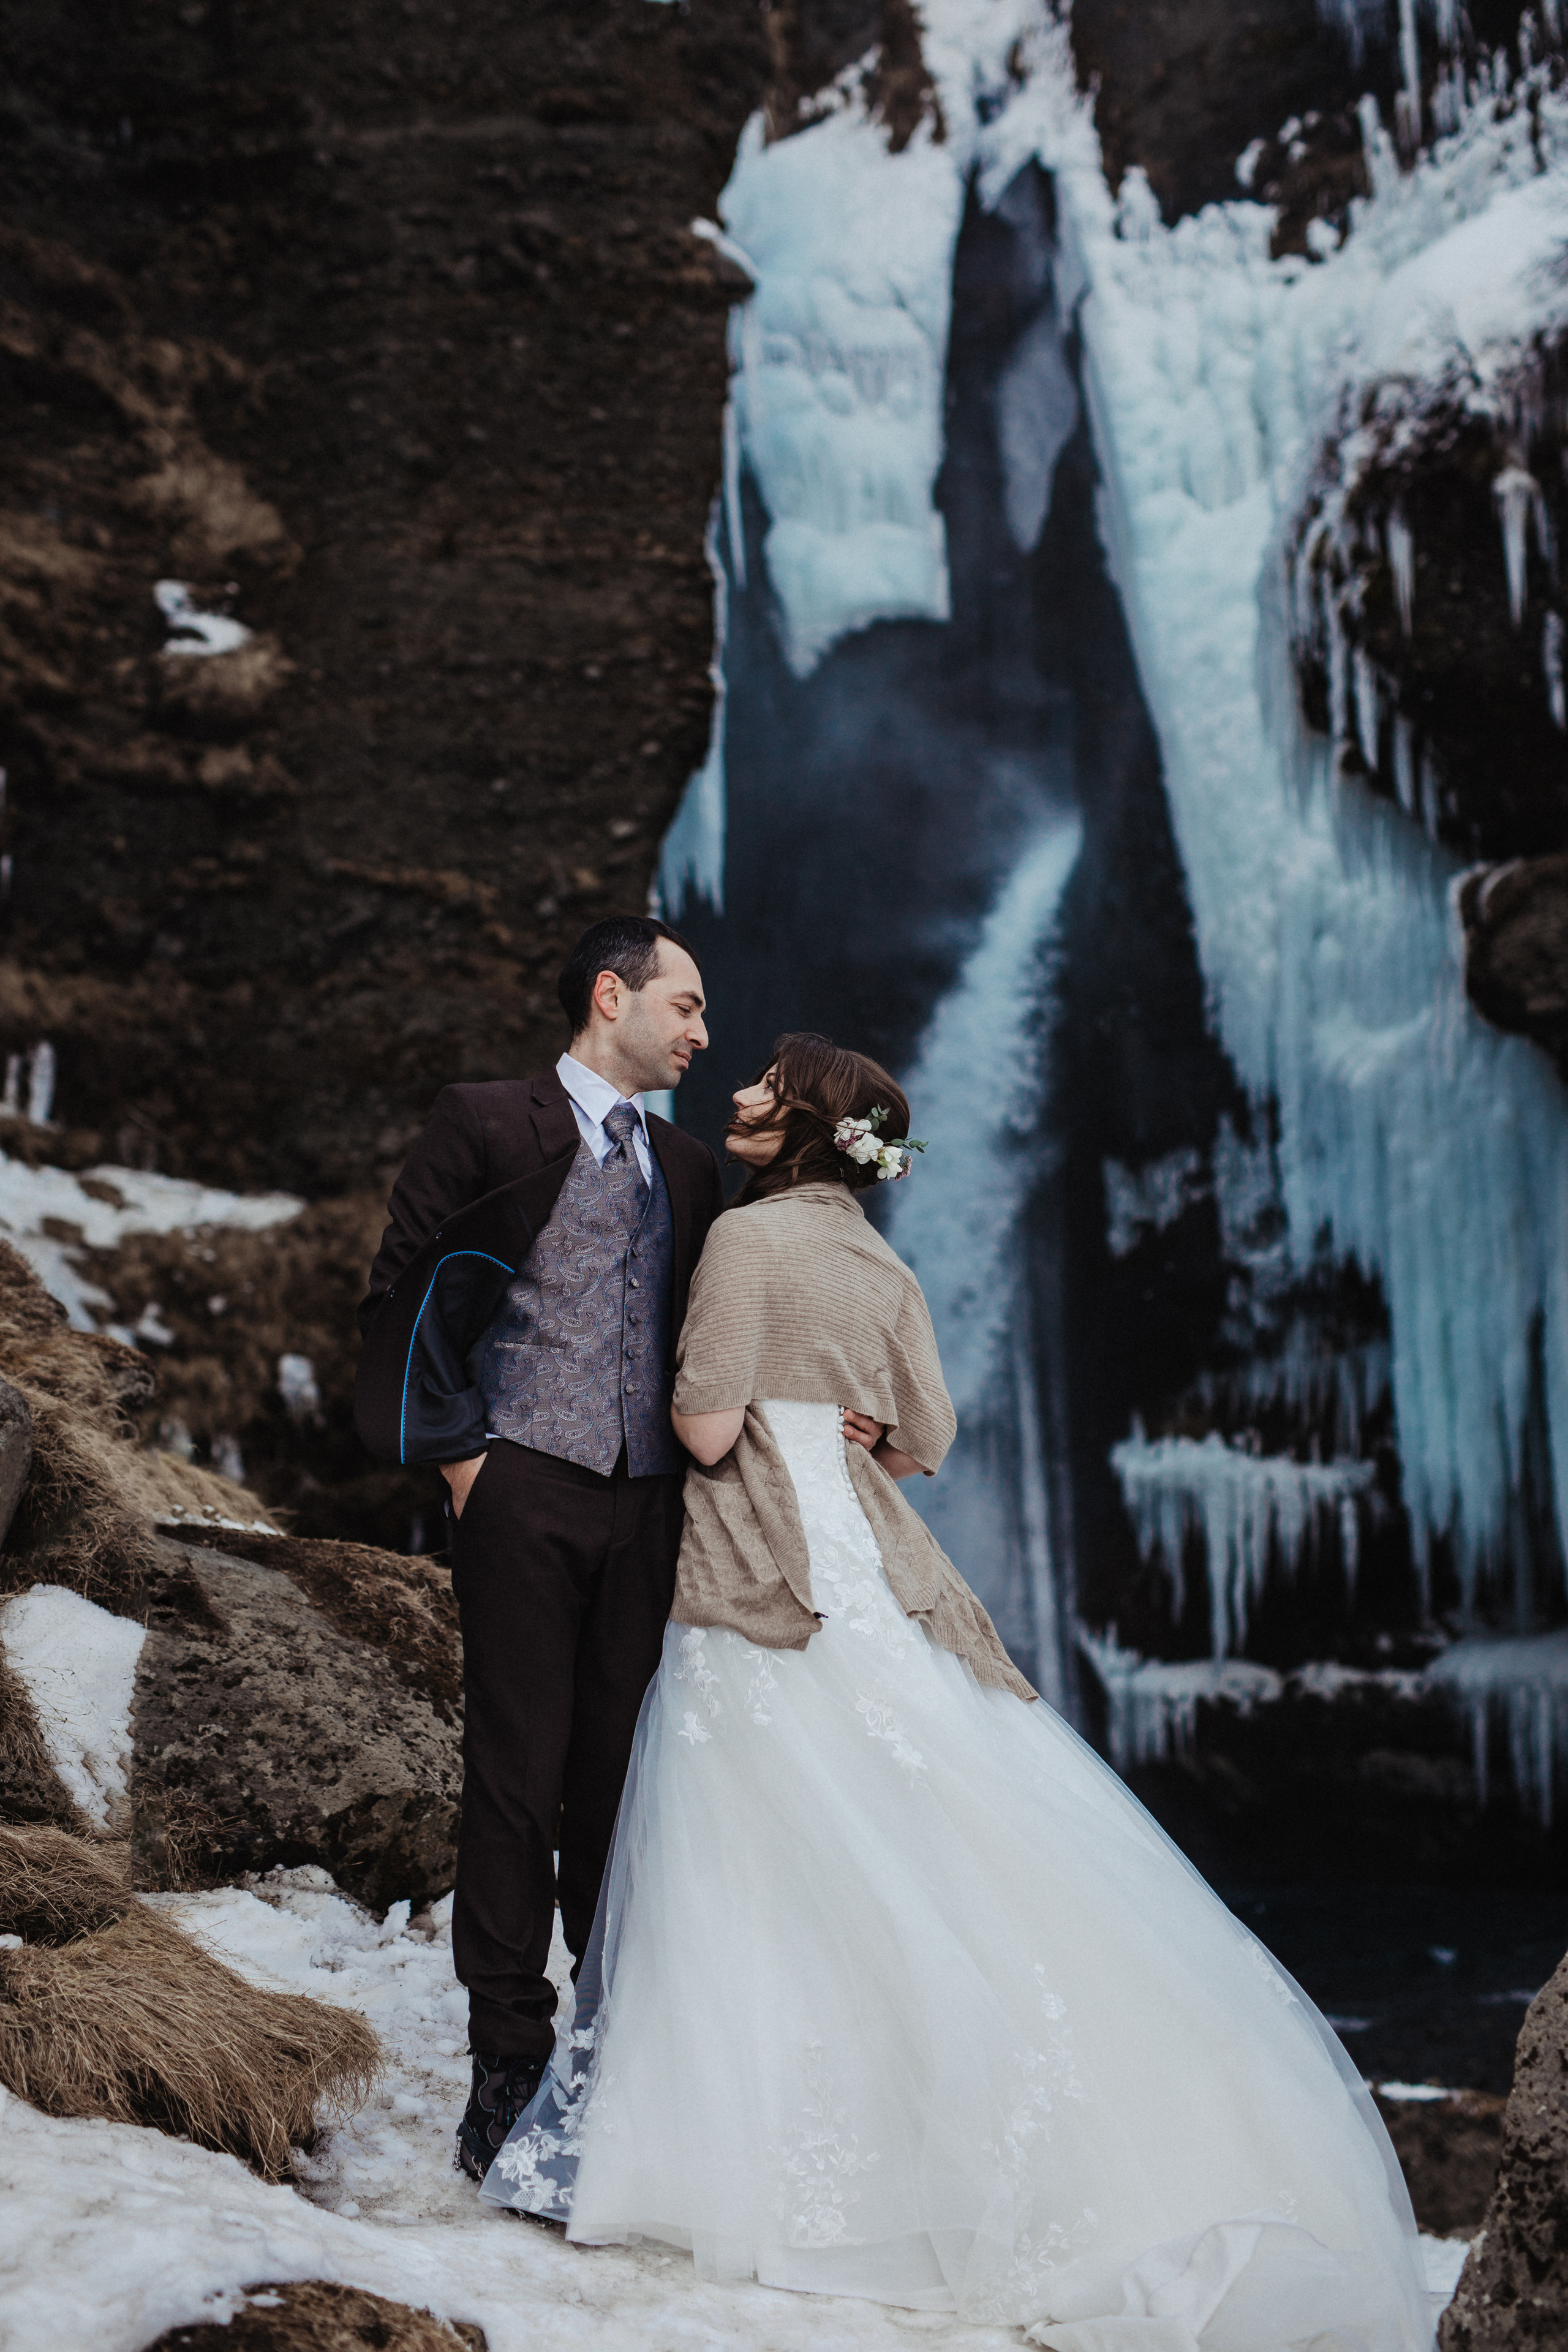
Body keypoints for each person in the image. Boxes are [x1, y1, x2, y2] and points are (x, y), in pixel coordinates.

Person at [481, 1032, 1433, 2350]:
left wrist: (742, 1398)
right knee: (916, 1828)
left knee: (754, 1854)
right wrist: (844, 1416)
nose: (740, 1094)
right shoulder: (881, 1260)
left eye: (765, 1085)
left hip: (765, 1563)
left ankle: (732, 2156)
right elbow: (925, 1436)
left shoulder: (747, 1247)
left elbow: (701, 1430)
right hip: (879, 1571)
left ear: (807, 1125)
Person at [355, 914, 739, 2184]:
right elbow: (402, 1286)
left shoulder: (687, 1167)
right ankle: (508, 2053)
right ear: (608, 995)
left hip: (646, 1501)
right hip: (521, 1485)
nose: (697, 1033)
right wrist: (467, 1462)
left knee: (618, 1778)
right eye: (681, 1007)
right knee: (516, 1773)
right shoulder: (486, 1119)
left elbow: (707, 1332)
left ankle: (613, 2040)